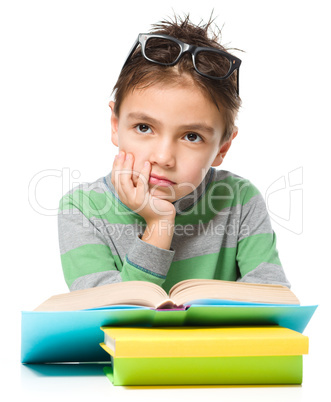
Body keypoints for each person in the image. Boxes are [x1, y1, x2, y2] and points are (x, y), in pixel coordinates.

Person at [58, 13, 291, 293]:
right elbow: (105, 313)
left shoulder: (240, 200)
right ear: (116, 126)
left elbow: (273, 299)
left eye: (192, 136)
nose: (163, 157)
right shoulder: (83, 208)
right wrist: (158, 224)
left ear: (222, 149)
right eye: (144, 127)